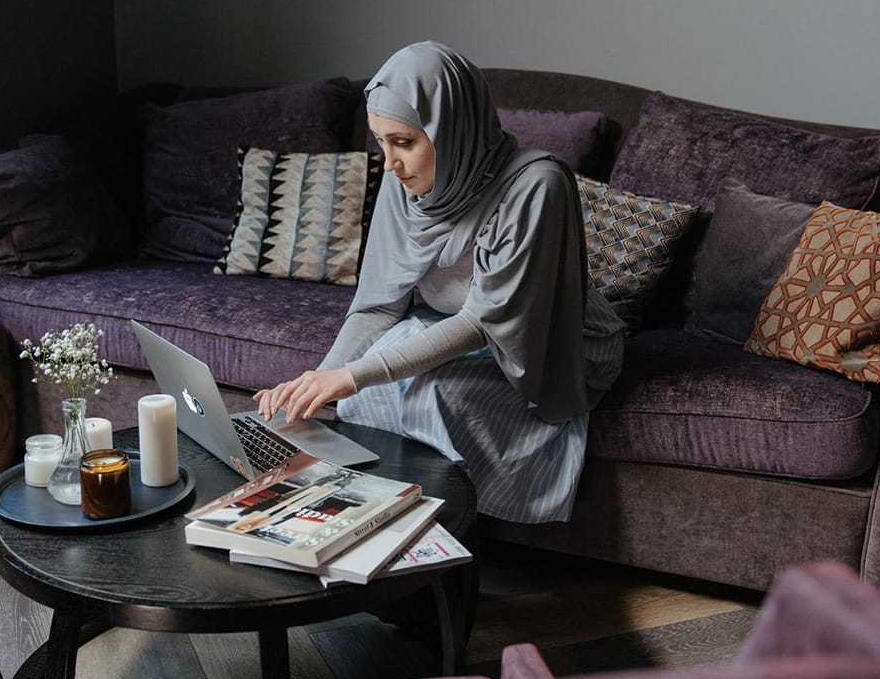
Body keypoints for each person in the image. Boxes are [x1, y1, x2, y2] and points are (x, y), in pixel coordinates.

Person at [254, 41, 624, 523]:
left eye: (404, 142)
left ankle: (447, 531)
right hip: (450, 319)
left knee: (429, 392)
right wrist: (318, 384)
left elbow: (483, 322)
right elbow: (379, 306)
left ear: (452, 129)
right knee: (369, 387)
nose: (389, 163)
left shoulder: (537, 186)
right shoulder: (401, 180)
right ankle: (377, 523)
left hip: (545, 338)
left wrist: (352, 376)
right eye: (380, 141)